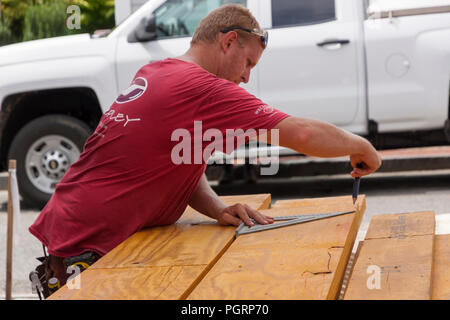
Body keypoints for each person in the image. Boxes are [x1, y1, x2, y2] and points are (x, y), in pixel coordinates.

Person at [29, 4, 381, 297]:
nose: (246, 77)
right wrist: (361, 146)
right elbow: (301, 134)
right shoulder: (201, 87)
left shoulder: (158, 71)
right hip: (90, 246)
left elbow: (171, 164)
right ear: (228, 42)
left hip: (76, 229)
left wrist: (217, 208)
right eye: (248, 63)